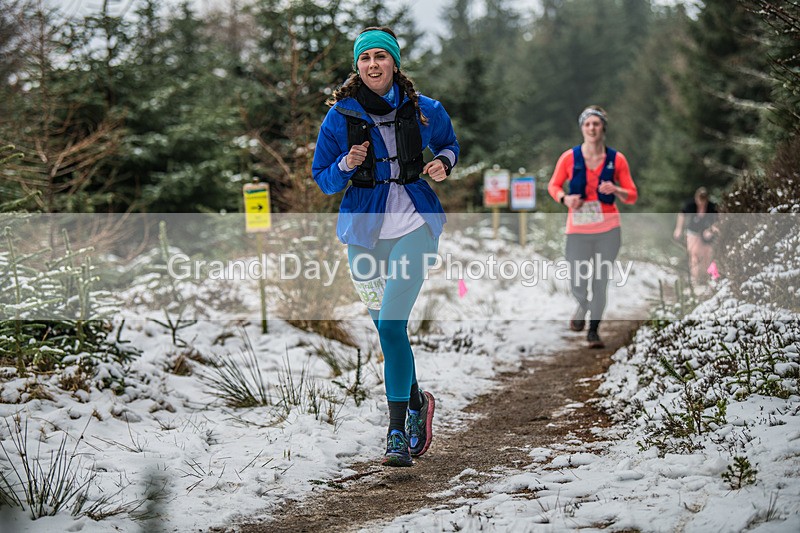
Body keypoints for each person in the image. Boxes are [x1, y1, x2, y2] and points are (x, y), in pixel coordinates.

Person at [312, 27, 459, 467]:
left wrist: (442, 164)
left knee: (392, 326)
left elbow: (450, 145)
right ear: (357, 66)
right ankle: (416, 402)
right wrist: (345, 163)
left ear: (394, 62)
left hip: (415, 225)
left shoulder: (425, 110)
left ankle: (396, 430)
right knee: (385, 329)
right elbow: (323, 178)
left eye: (381, 56)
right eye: (365, 58)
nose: (373, 64)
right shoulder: (340, 117)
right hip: (363, 233)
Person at [548, 106, 638, 349]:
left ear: (603, 128)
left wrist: (616, 189)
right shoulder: (569, 158)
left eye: (596, 124)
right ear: (582, 128)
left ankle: (593, 331)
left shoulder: (616, 159)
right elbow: (553, 186)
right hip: (577, 230)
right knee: (577, 280)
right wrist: (565, 199)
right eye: (587, 124)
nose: (592, 128)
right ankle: (583, 305)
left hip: (609, 229)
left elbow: (632, 195)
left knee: (600, 280)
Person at [673, 187, 717, 287]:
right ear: (696, 198)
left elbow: (718, 220)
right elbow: (682, 215)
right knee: (694, 255)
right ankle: (695, 279)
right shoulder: (691, 205)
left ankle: (707, 277)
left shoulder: (712, 207)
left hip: (706, 232)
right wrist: (678, 229)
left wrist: (711, 229)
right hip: (693, 232)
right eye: (699, 200)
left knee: (707, 255)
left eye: (703, 201)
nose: (701, 203)